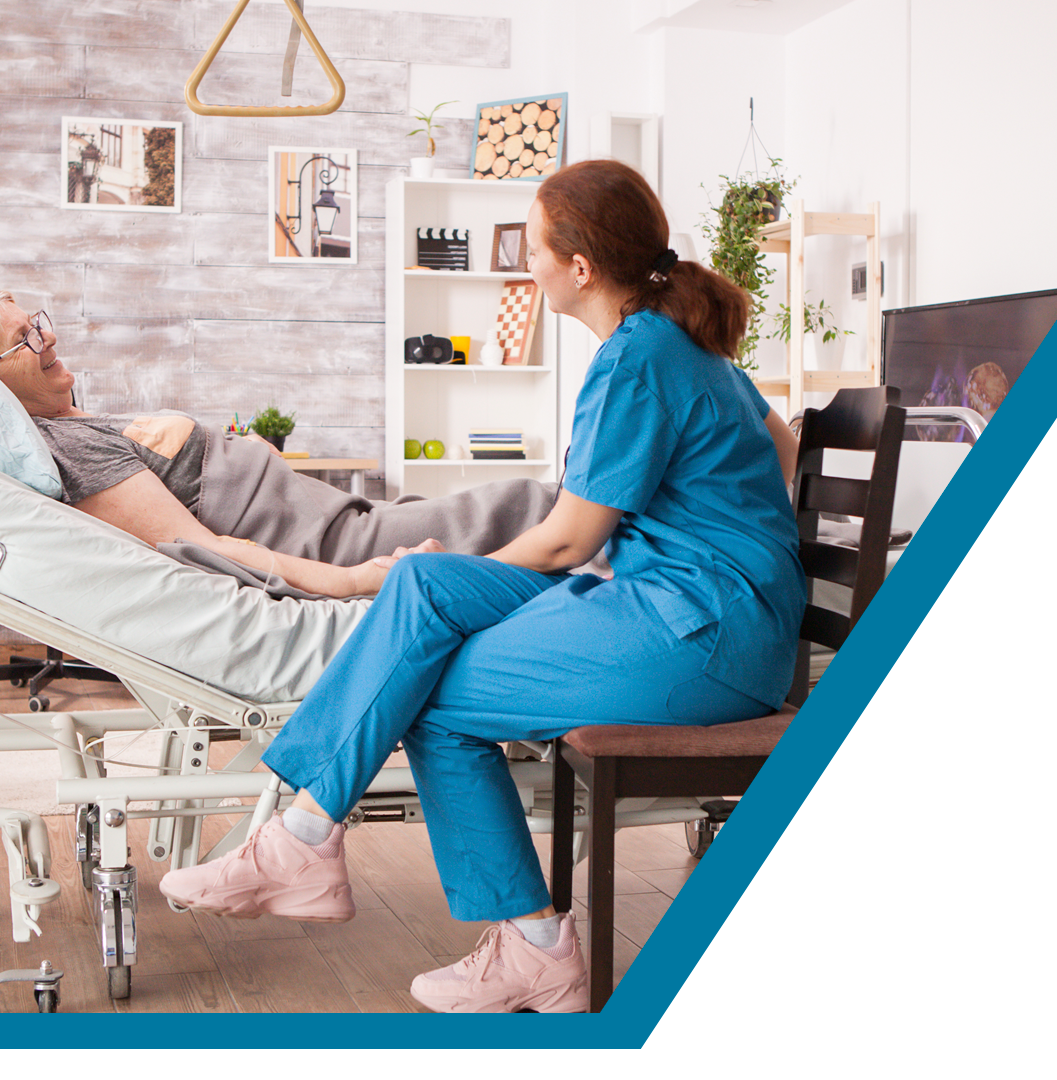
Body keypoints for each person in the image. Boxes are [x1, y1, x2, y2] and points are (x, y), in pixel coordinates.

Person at [158, 159, 806, 1012]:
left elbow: (571, 538)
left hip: (700, 637)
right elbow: (782, 449)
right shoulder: (678, 342)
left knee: (426, 691)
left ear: (580, 268)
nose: (525, 264)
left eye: (533, 248)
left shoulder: (638, 358)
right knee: (425, 583)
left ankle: (517, 940)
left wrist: (676, 554)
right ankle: (306, 839)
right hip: (698, 613)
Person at [0, 291, 563, 599]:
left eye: (37, 324)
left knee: (522, 517)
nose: (47, 338)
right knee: (525, 506)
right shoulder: (71, 453)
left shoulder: (73, 424)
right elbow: (200, 547)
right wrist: (354, 581)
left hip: (331, 517)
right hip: (329, 544)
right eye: (24, 339)